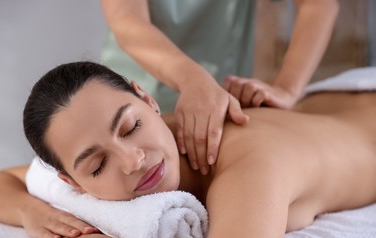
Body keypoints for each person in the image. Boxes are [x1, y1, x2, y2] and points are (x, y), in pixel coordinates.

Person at [0, 62, 376, 238]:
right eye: (97, 166)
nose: (133, 159)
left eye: (130, 126)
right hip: (325, 110)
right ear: (72, 183)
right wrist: (28, 211)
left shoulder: (251, 164)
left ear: (147, 100)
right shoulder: (139, 139)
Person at [100, 0, 339, 174]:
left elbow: (318, 5)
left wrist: (287, 89)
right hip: (127, 98)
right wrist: (193, 80)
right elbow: (126, 17)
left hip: (221, 107)